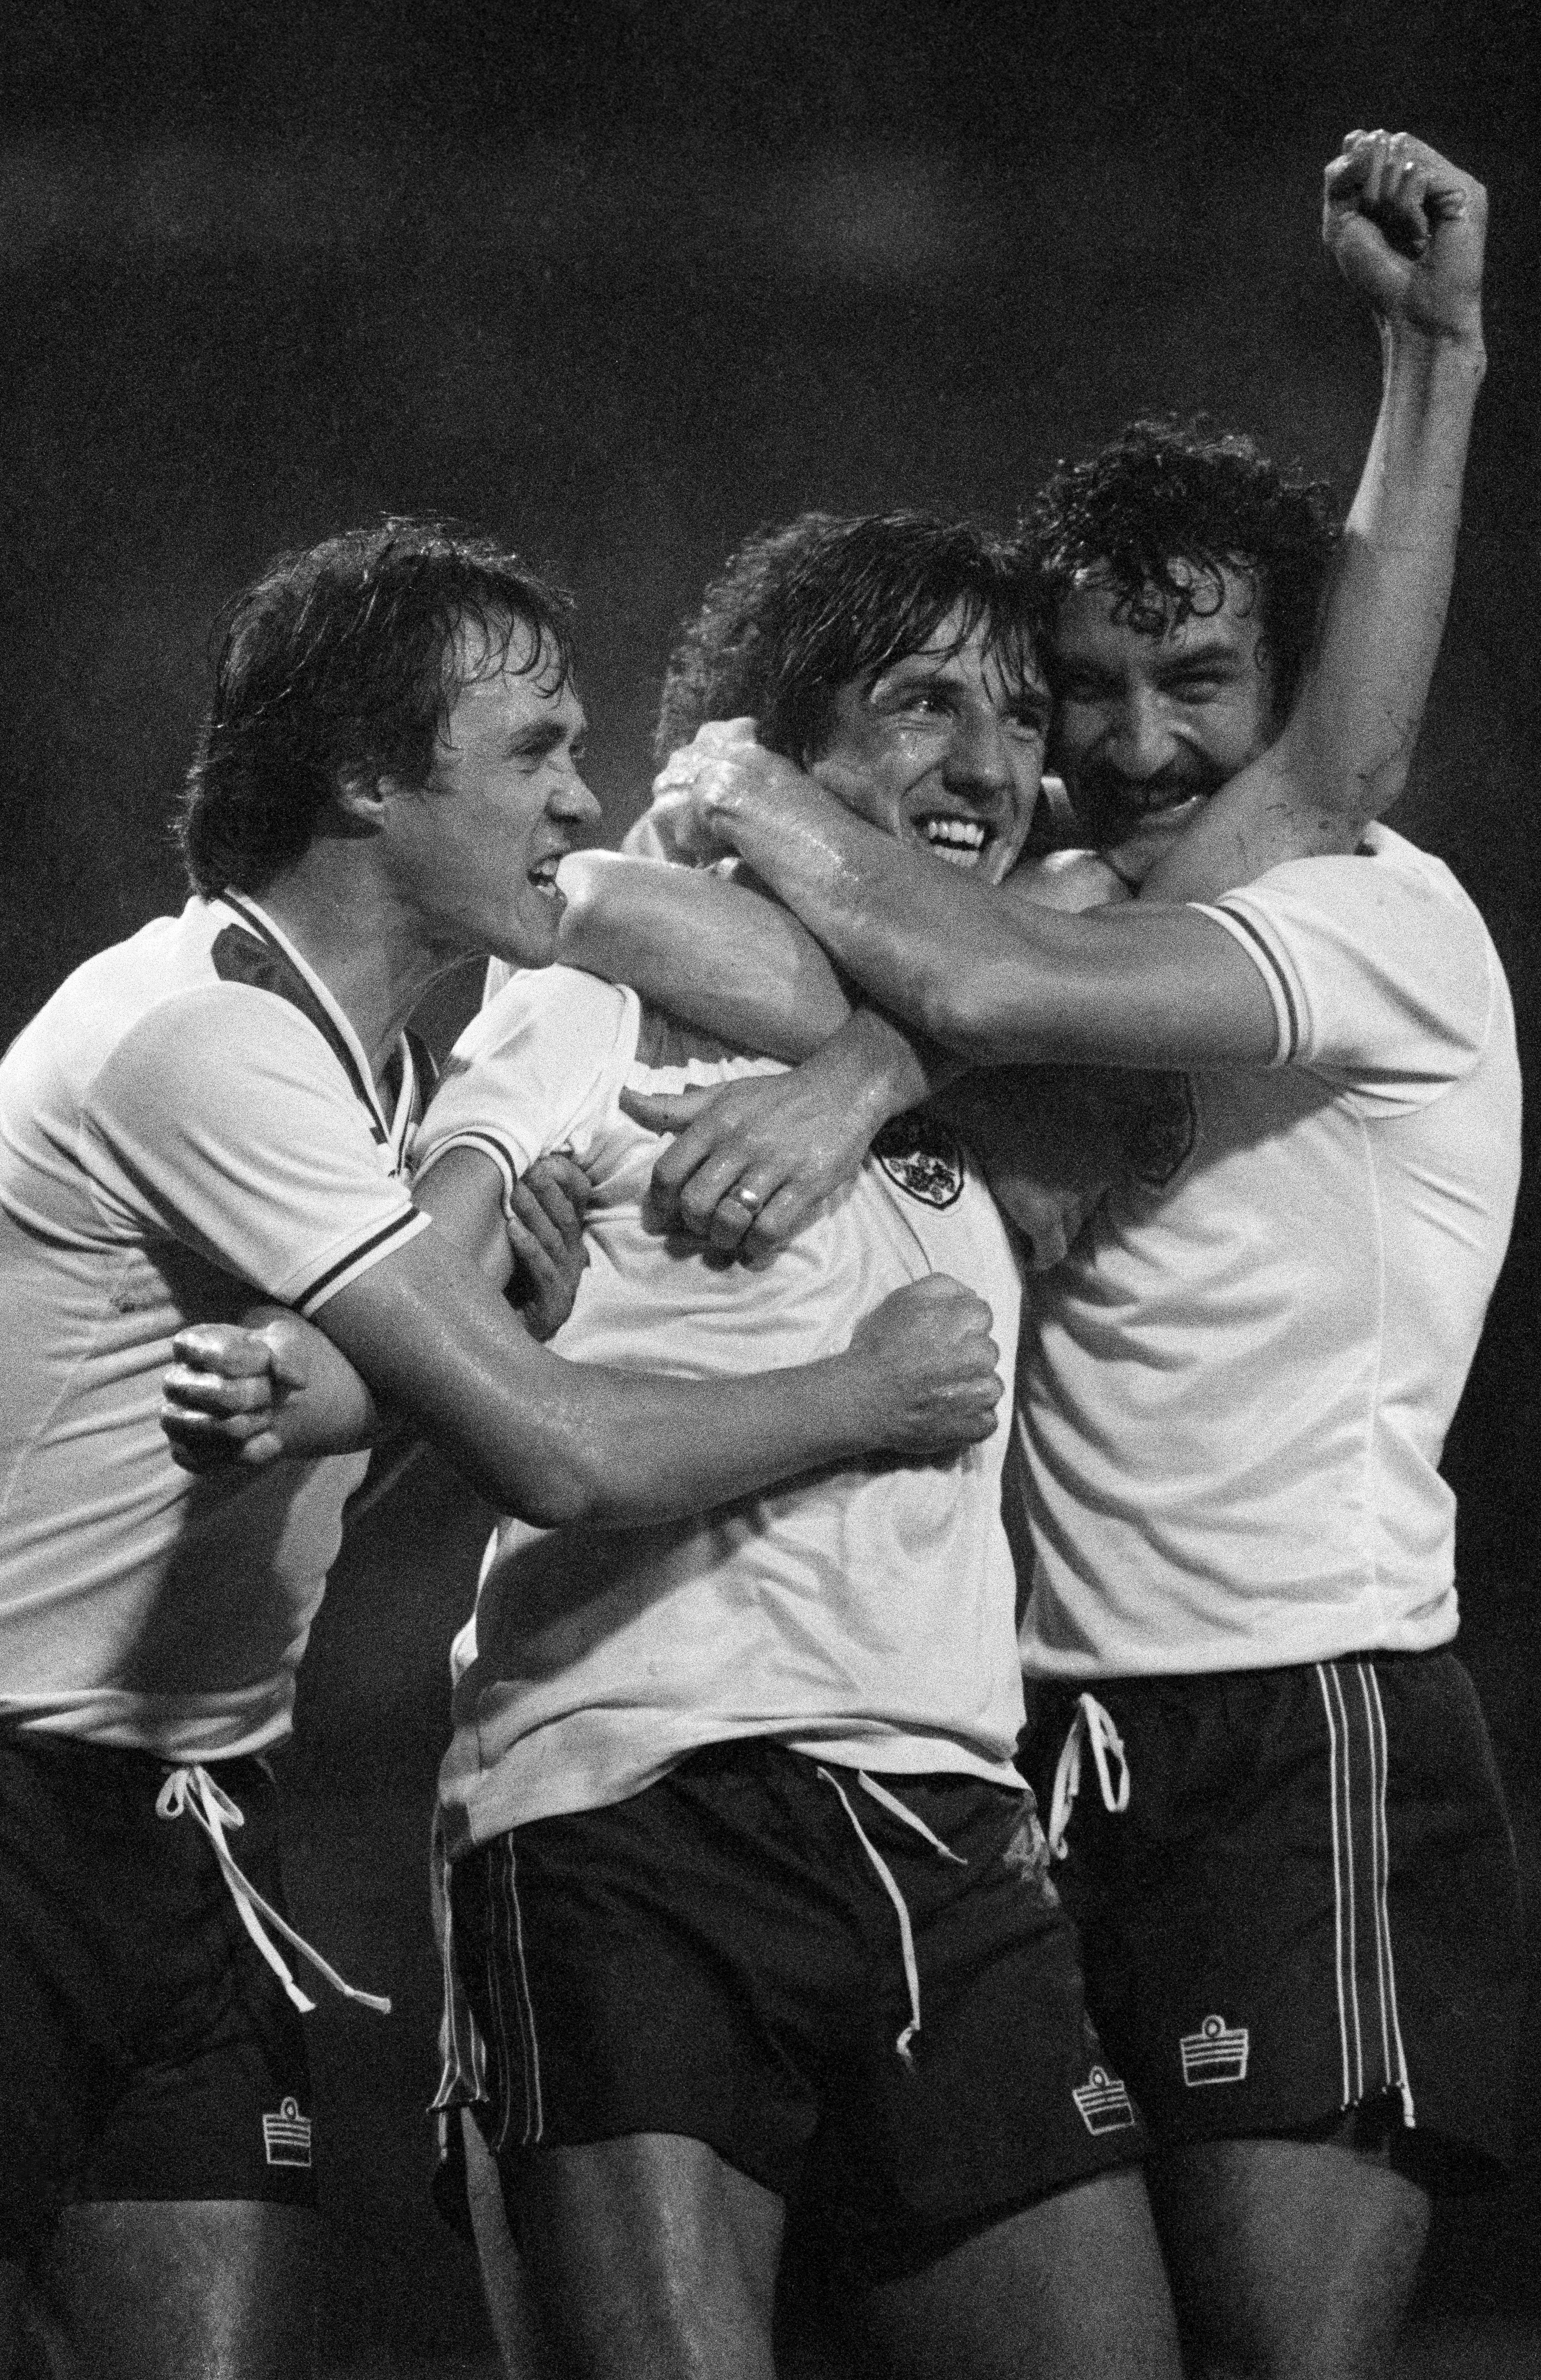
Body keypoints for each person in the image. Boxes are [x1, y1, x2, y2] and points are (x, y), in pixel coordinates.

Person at [586, 134, 1516, 2380]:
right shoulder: (1084, 894)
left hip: (1293, 1728)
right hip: (1029, 1755)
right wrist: (866, 1072)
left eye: (1194, 683)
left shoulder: (1359, 916)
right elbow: (973, 981)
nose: (1126, 746)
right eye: (1083, 691)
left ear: (1284, 697)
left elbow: (1006, 984)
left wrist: (736, 791)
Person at [0, 525, 1001, 2380]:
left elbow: (369, 1442)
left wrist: (486, 1352)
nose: (584, 794)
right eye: (534, 748)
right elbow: (553, 1461)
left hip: (192, 1819)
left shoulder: (373, 1074)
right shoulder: (195, 1043)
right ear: (370, 779)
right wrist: (862, 1399)